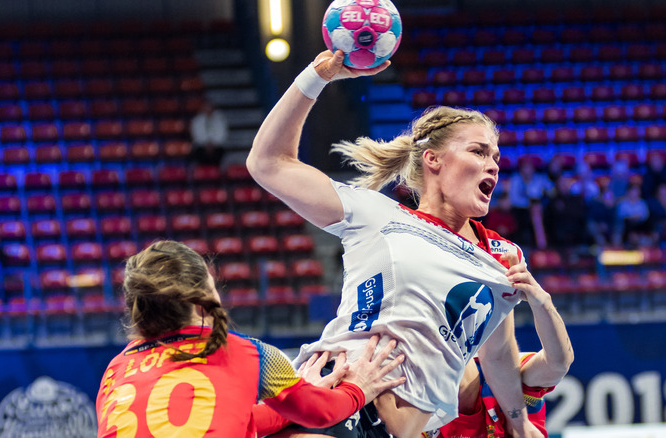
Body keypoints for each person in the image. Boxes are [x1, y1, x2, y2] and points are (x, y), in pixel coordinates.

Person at [247, 50, 540, 437]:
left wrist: (519, 426)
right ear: (433, 160)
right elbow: (267, 163)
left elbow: (499, 355)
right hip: (343, 391)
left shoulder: (503, 257)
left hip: (410, 427)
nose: (494, 165)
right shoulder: (379, 215)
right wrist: (316, 77)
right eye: (479, 151)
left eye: (497, 157)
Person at [95, 240, 406, 438]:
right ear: (204, 297)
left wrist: (297, 401)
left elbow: (208, 424)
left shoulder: (115, 369)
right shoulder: (249, 353)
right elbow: (322, 412)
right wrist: (357, 388)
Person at [431, 263, 574, 438]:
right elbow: (558, 363)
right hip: (493, 383)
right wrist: (543, 302)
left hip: (429, 395)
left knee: (460, 389)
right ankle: (495, 274)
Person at [190, 100, 229, 165]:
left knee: (220, 152)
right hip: (202, 146)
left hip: (216, 146)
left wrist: (212, 143)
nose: (208, 109)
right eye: (206, 107)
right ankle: (201, 171)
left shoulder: (220, 119)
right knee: (198, 152)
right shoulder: (197, 120)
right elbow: (195, 135)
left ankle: (216, 171)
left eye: (209, 107)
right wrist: (206, 143)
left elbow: (223, 134)